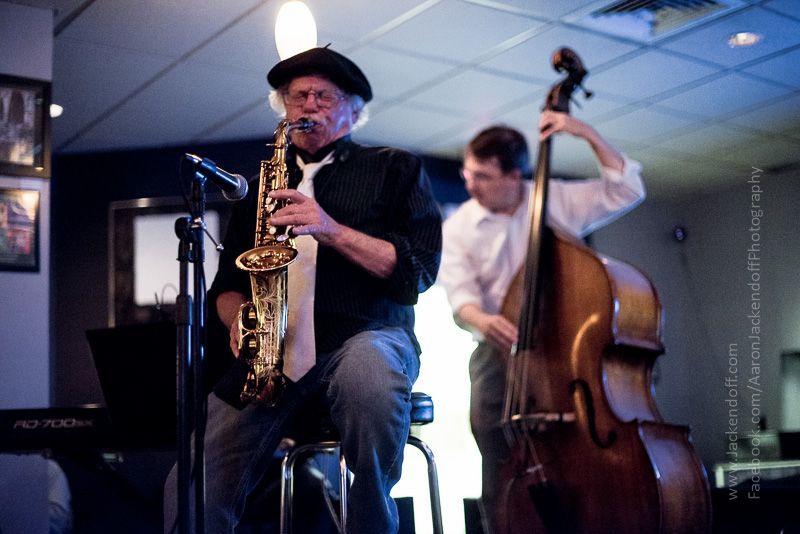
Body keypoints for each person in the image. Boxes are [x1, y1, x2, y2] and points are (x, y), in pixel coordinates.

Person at [163, 46, 442, 533]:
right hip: (272, 351)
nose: (309, 105)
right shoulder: (255, 188)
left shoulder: (395, 168)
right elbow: (226, 288)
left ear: (353, 111)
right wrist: (240, 318)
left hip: (367, 335)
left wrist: (330, 228)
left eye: (323, 96)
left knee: (369, 378)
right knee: (189, 487)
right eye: (298, 96)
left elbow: (417, 270)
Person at [437, 116, 645, 533]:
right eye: (467, 174)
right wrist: (484, 320)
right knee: (497, 455)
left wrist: (585, 132)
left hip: (563, 351)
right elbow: (461, 300)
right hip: (497, 352)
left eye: (482, 176)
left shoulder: (554, 199)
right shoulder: (457, 226)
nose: (470, 185)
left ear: (514, 176)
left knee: (581, 447)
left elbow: (627, 189)